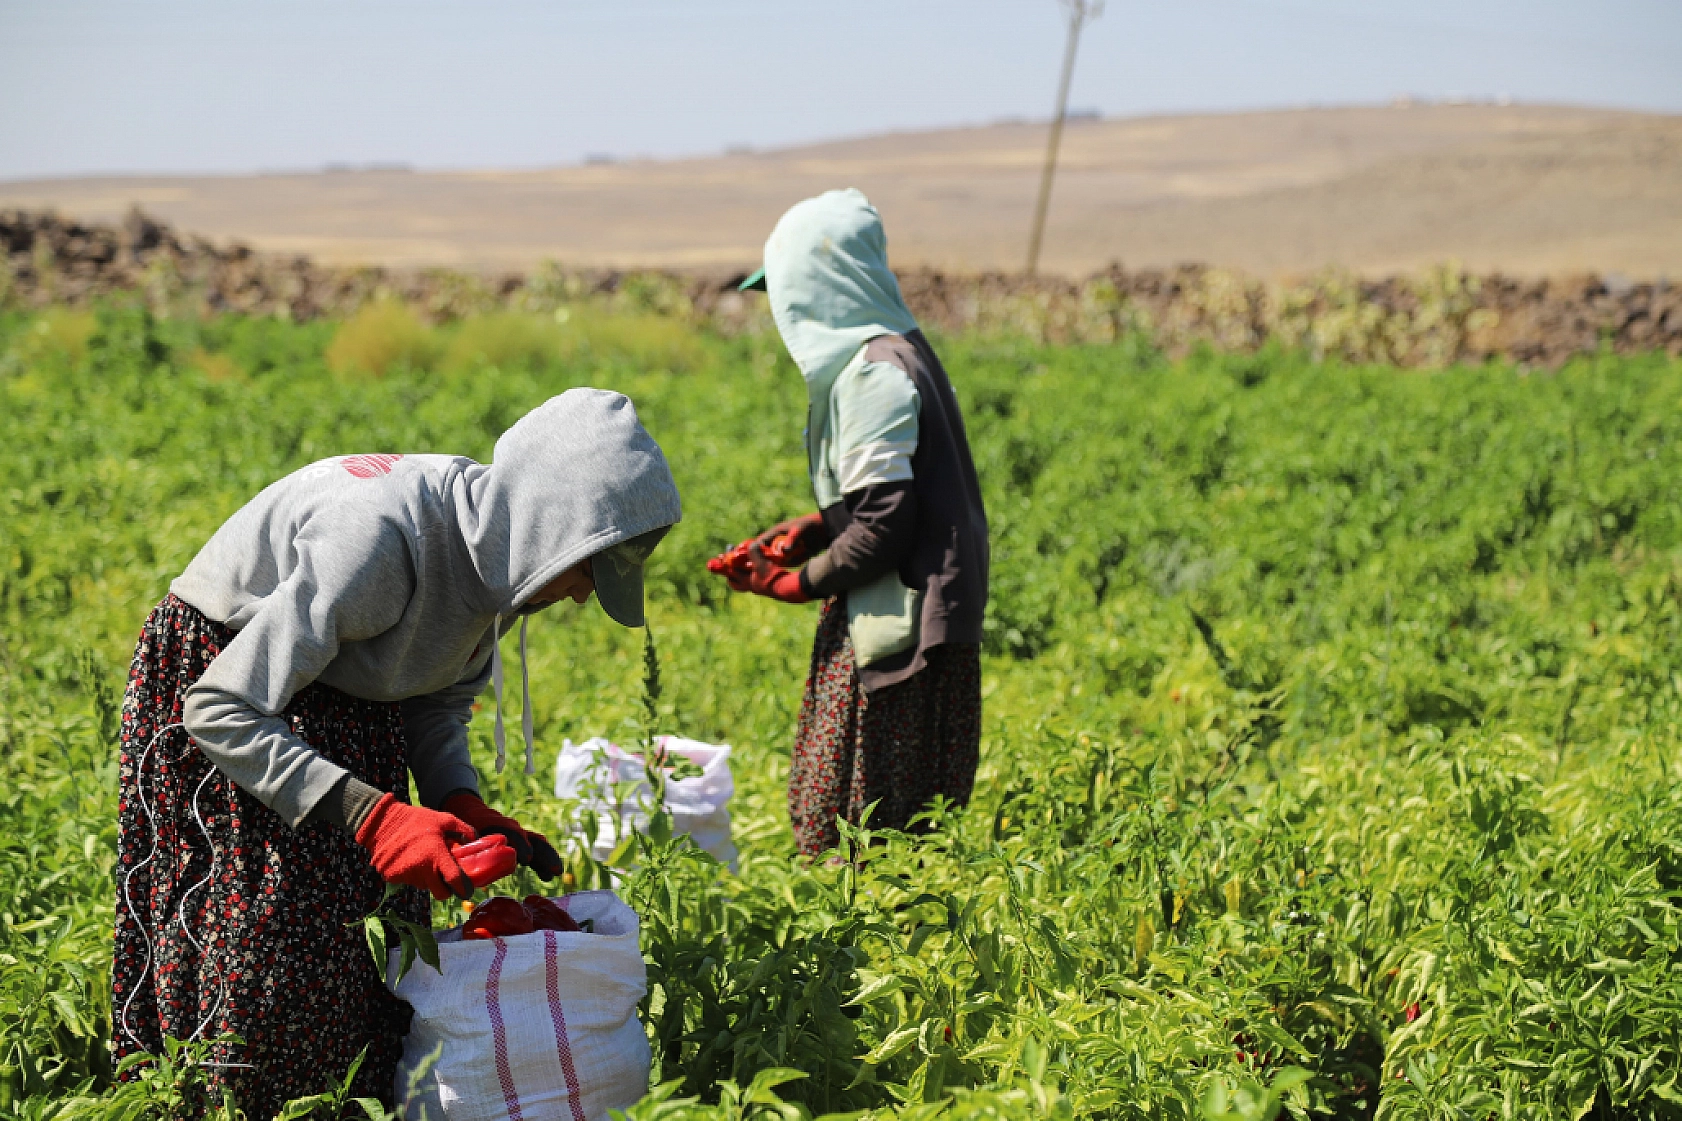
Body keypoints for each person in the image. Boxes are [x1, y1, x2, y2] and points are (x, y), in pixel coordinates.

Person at [112, 388, 681, 1119]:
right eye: (584, 572)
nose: (576, 597)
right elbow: (218, 708)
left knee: (369, 946)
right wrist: (375, 817)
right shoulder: (379, 540)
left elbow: (435, 696)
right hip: (236, 691)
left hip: (345, 703)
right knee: (268, 950)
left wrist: (455, 799)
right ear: (546, 524)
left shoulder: (505, 562)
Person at [725, 188, 989, 858]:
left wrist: (789, 583)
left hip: (896, 623)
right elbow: (897, 495)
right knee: (905, 835)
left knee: (859, 829)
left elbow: (882, 527)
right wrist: (817, 524)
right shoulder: (904, 355)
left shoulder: (873, 375)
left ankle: (864, 955)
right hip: (914, 610)